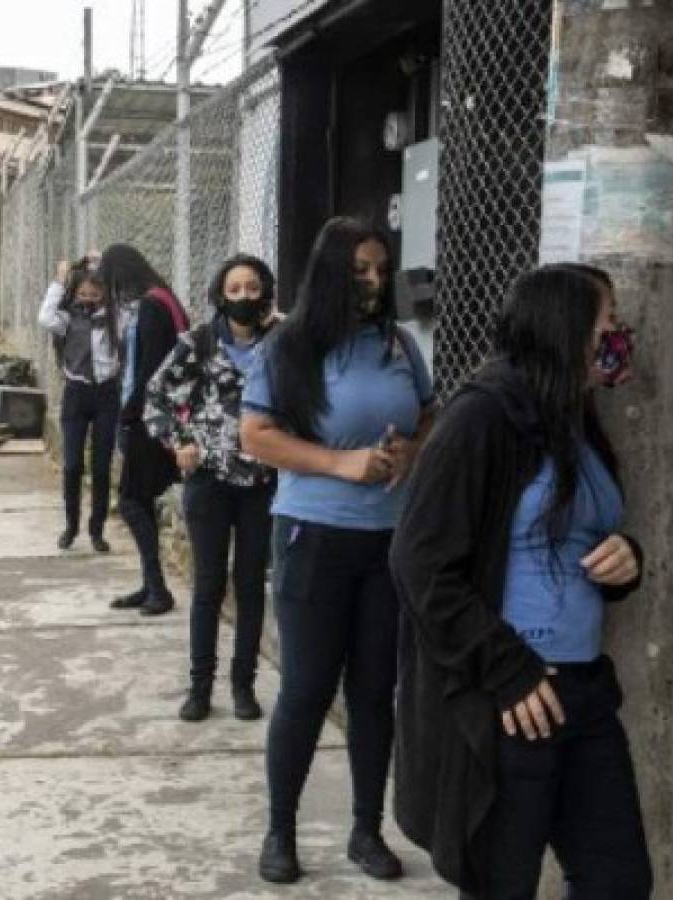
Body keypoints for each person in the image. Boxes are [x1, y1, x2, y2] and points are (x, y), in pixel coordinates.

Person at [389, 264, 650, 899]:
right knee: (501, 882)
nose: (618, 336)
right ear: (568, 332)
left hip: (585, 692)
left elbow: (580, 537)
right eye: (607, 324)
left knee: (618, 881)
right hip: (513, 699)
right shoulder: (480, 418)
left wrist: (626, 559)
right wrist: (506, 669)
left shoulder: (573, 417)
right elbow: (419, 561)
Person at [240, 217, 436, 885]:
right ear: (330, 276)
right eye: (360, 273)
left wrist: (413, 450)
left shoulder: (400, 345)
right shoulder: (289, 347)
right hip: (312, 537)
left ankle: (365, 830)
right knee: (306, 689)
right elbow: (256, 436)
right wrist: (340, 463)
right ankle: (281, 831)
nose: (376, 283)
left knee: (376, 691)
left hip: (389, 542)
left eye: (382, 270)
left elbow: (429, 414)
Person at [145, 253, 280, 723]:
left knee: (249, 584)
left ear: (266, 293)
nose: (244, 296)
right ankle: (200, 688)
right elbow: (157, 396)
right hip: (209, 482)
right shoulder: (198, 343)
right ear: (220, 295)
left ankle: (243, 686)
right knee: (209, 585)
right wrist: (177, 440)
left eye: (253, 288)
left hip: (262, 482)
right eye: (235, 289)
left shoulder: (280, 344)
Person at [100, 244, 189, 617]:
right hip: (154, 416)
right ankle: (151, 584)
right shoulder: (164, 298)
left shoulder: (153, 306)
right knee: (140, 500)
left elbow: (152, 371)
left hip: (147, 420)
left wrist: (129, 415)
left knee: (132, 502)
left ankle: (158, 588)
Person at [38, 256, 121, 553]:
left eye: (94, 295)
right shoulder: (67, 318)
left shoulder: (114, 318)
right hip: (76, 393)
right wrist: (60, 281)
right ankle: (71, 525)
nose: (88, 300)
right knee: (73, 465)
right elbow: (45, 317)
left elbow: (128, 301)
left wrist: (107, 266)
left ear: (104, 295)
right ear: (74, 294)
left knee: (101, 466)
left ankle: (96, 529)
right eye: (83, 294)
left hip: (106, 395)